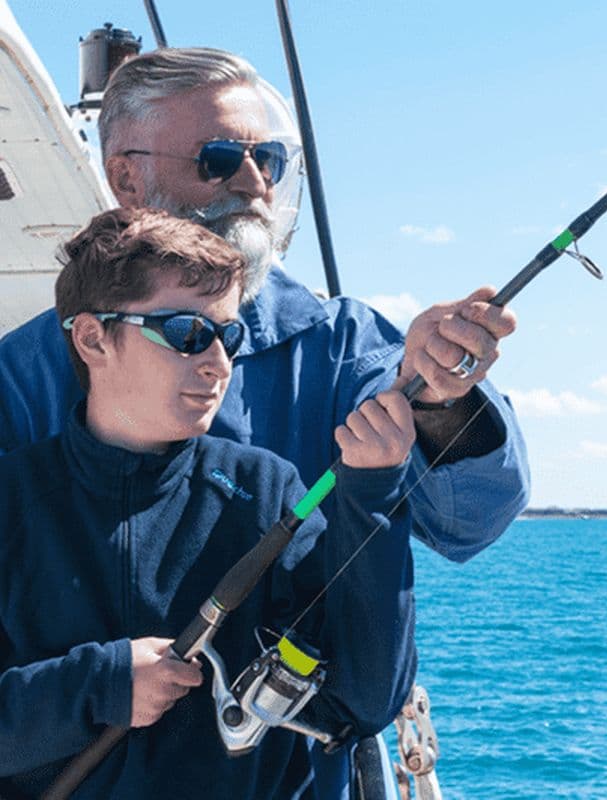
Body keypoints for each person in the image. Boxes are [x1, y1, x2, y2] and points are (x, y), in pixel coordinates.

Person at [0, 47, 530, 795]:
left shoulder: (342, 346)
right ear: (125, 177)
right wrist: (100, 682)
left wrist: (441, 397)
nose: (253, 184)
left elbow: (469, 521)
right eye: (218, 160)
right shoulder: (17, 378)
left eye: (269, 160)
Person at [0, 208, 417, 799]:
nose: (219, 363)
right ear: (93, 338)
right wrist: (101, 684)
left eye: (229, 335)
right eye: (187, 334)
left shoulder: (268, 492)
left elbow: (365, 701)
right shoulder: (10, 502)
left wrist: (374, 494)